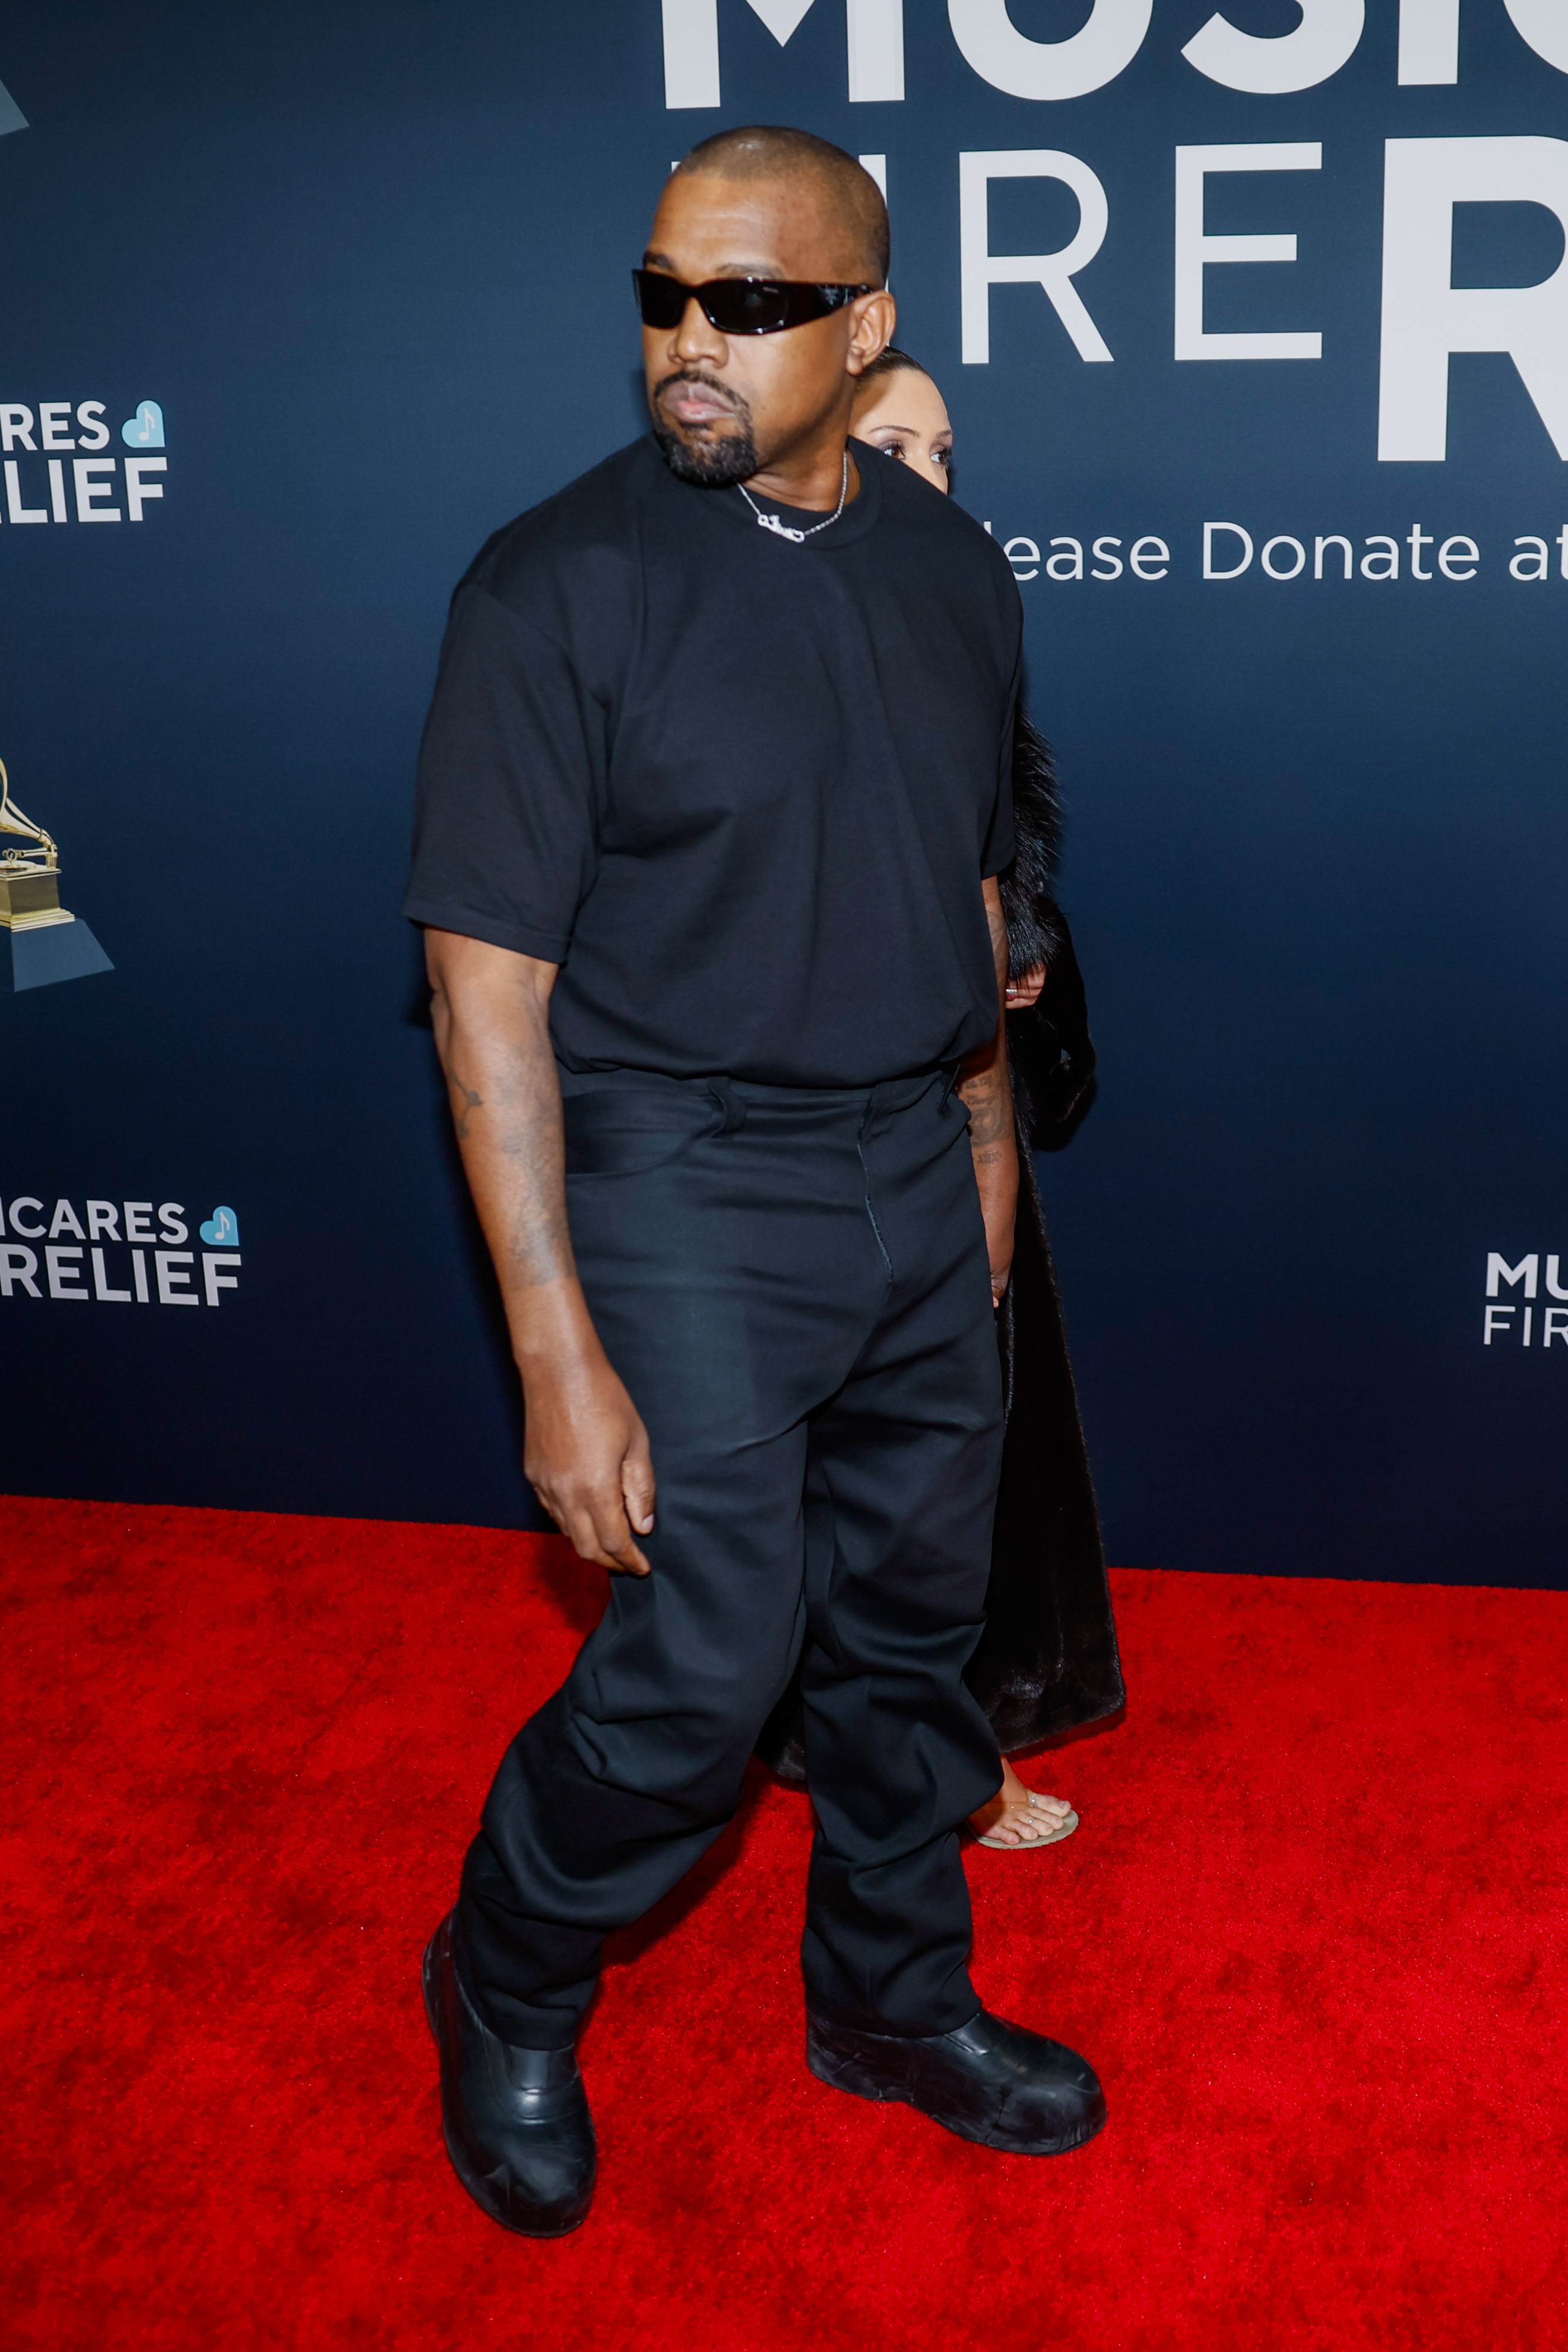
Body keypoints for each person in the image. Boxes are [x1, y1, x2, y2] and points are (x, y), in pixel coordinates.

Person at [403, 125, 1106, 2239]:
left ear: (867, 323)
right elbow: (484, 994)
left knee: (905, 1641)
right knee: (703, 1672)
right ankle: (504, 1973)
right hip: (683, 1179)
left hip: (913, 1163)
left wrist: (982, 1178)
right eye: (663, 297)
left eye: (752, 305)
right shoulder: (556, 587)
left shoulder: (950, 569)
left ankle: (888, 1999)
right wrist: (553, 1352)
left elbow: (969, 898)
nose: (687, 347)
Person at [758, 350, 1125, 1851]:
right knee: (826, 1458)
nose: (931, 475)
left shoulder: (961, 615)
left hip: (950, 1104)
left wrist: (1021, 957)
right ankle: (857, 1734)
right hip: (801, 1123)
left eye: (948, 450)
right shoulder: (751, 621)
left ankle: (947, 1733)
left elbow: (998, 848)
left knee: (958, 1441)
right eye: (893, 442)